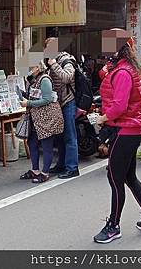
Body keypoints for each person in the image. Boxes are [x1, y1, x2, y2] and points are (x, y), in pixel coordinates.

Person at [93, 38, 141, 244]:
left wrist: (103, 118)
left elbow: (120, 105)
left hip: (125, 129)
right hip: (130, 129)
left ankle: (113, 226)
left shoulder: (123, 72)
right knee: (129, 177)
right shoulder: (124, 68)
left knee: (115, 178)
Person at [19, 60, 63, 184]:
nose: (29, 68)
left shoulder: (44, 80)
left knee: (46, 145)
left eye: (31, 66)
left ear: (38, 67)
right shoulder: (33, 80)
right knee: (32, 143)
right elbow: (32, 95)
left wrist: (29, 103)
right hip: (36, 119)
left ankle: (45, 173)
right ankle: (35, 170)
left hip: (47, 118)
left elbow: (47, 99)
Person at [44, 38, 79, 179]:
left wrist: (54, 65)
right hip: (56, 103)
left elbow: (67, 77)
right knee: (59, 135)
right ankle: (61, 164)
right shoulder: (50, 61)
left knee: (70, 136)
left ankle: (72, 168)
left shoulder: (67, 60)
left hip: (68, 101)